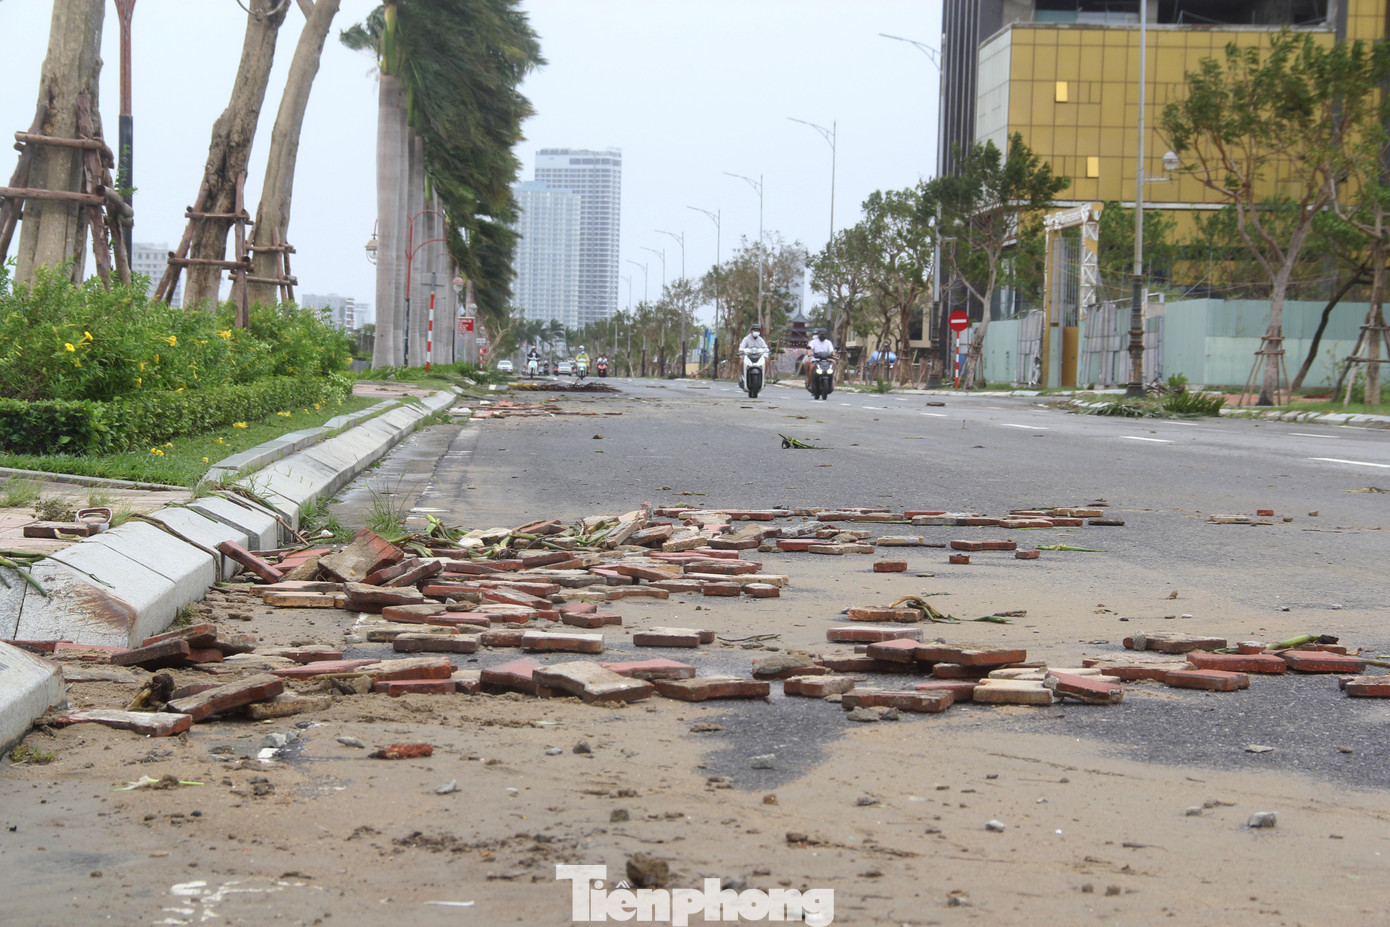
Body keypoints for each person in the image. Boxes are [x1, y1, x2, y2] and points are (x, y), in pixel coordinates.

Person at [738, 323, 769, 388]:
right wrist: (741, 350)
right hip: (748, 357)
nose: (756, 332)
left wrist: (765, 354)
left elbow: (765, 348)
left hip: (758, 357)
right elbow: (741, 347)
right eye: (754, 330)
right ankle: (744, 377)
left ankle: (763, 377)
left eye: (757, 331)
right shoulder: (746, 339)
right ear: (751, 331)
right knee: (741, 362)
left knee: (766, 360)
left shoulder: (761, 340)